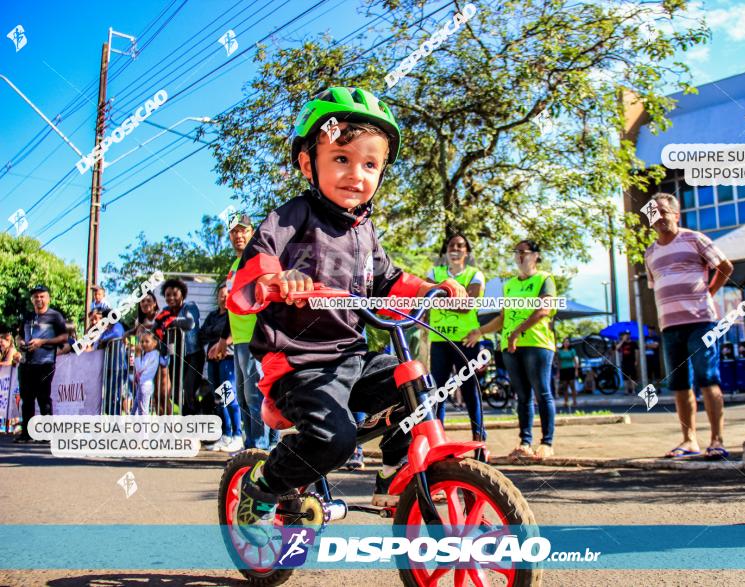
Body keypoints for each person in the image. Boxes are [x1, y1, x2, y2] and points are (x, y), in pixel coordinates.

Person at [226, 86, 467, 546]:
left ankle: (394, 475)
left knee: (417, 386)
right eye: (341, 159)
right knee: (334, 441)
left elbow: (390, 281)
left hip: (351, 357)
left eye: (370, 164)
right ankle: (262, 488)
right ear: (306, 164)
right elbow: (254, 268)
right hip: (297, 365)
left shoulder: (365, 232)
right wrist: (278, 281)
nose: (356, 175)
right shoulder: (292, 217)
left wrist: (432, 289)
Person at [644, 193, 734, 460]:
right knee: (680, 385)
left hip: (701, 322)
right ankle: (689, 440)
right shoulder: (650, 252)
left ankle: (716, 440)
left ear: (676, 214)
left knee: (708, 378)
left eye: (663, 211)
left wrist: (710, 291)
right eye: (654, 212)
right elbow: (656, 286)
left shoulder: (694, 239)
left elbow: (726, 266)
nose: (658, 217)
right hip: (670, 326)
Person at [465, 239, 557, 460]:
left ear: (535, 255)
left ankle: (546, 443)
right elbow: (503, 318)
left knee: (542, 392)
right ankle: (525, 442)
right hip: (511, 347)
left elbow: (544, 310)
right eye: (516, 252)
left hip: (537, 344)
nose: (519, 256)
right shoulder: (510, 285)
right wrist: (480, 331)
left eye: (524, 252)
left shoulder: (544, 279)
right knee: (522, 397)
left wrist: (516, 332)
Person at [425, 233, 487, 453]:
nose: (456, 248)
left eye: (461, 245)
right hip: (439, 339)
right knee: (437, 393)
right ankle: (437, 444)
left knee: (470, 391)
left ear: (466, 252)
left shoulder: (475, 274)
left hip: (465, 341)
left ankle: (480, 442)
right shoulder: (434, 272)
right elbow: (426, 298)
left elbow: (466, 306)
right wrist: (445, 299)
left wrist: (438, 298)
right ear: (446, 250)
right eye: (452, 244)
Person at [224, 213, 278, 450]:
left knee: (254, 395)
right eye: (234, 231)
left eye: (243, 230)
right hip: (238, 340)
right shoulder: (235, 266)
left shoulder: (256, 260)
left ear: (252, 232)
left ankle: (259, 447)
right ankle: (259, 446)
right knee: (245, 396)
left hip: (255, 337)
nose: (238, 235)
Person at [14, 285, 67, 443]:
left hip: (45, 363)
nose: (39, 299)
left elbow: (64, 337)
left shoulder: (55, 316)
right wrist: (21, 343)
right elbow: (19, 336)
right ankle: (27, 434)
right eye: (36, 297)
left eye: (42, 296)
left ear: (48, 298)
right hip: (26, 363)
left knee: (43, 398)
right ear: (32, 300)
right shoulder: (28, 316)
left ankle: (46, 435)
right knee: (27, 399)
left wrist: (43, 341)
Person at [200, 284, 243, 452]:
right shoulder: (212, 315)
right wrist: (218, 335)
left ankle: (237, 434)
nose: (224, 298)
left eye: (227, 295)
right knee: (218, 399)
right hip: (212, 361)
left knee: (229, 396)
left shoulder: (234, 314)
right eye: (221, 295)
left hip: (227, 358)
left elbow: (231, 333)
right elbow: (203, 333)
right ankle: (225, 434)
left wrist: (220, 340)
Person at [154, 279, 205, 416]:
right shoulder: (165, 311)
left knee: (189, 390)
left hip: (193, 354)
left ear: (182, 295)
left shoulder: (190, 306)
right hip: (175, 356)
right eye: (168, 295)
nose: (171, 298)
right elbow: (156, 327)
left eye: (174, 294)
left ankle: (197, 418)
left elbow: (189, 323)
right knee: (175, 393)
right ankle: (190, 416)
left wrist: (170, 321)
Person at [97, 308, 128, 415]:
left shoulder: (117, 326)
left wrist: (104, 340)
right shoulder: (106, 330)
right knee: (108, 395)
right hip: (108, 367)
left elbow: (117, 334)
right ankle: (111, 419)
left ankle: (116, 420)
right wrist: (102, 340)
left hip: (118, 368)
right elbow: (99, 341)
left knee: (114, 395)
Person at [132, 332, 160, 416]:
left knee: (143, 411)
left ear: (155, 343)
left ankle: (144, 428)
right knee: (135, 408)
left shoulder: (152, 354)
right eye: (142, 342)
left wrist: (137, 354)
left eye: (147, 341)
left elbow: (140, 368)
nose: (143, 344)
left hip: (145, 385)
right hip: (143, 384)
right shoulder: (149, 354)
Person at [556, 337, 579, 412]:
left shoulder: (572, 350)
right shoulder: (560, 351)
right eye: (565, 342)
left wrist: (576, 370)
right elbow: (559, 362)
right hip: (563, 370)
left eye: (567, 342)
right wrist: (558, 372)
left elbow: (575, 361)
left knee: (572, 386)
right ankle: (566, 402)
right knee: (565, 386)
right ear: (563, 343)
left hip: (571, 369)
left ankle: (574, 401)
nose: (566, 343)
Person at [615, 330, 638, 395]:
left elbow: (636, 352)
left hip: (632, 361)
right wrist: (622, 341)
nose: (627, 336)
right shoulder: (622, 343)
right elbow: (616, 348)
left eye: (628, 334)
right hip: (624, 362)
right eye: (625, 335)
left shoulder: (633, 343)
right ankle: (626, 390)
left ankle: (633, 390)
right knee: (625, 377)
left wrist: (636, 360)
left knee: (633, 376)